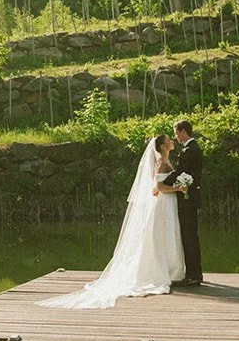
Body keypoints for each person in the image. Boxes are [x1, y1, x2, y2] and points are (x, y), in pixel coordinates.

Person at [37, 134, 184, 309]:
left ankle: (170, 269)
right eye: (168, 140)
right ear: (162, 146)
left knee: (167, 234)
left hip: (166, 203)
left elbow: (155, 186)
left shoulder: (164, 161)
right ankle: (162, 271)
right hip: (163, 204)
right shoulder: (160, 163)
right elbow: (159, 187)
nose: (171, 141)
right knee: (162, 234)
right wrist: (178, 187)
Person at [160, 119, 203, 286]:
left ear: (184, 131)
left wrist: (162, 185)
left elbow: (181, 171)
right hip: (188, 199)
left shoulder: (191, 150)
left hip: (188, 200)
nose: (175, 136)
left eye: (177, 132)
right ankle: (194, 273)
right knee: (189, 236)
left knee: (189, 237)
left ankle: (193, 276)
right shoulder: (190, 149)